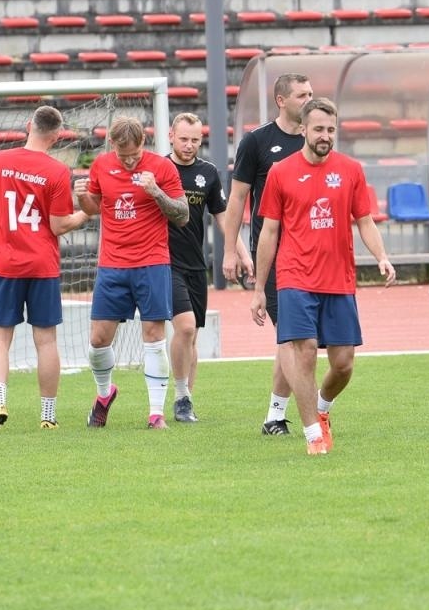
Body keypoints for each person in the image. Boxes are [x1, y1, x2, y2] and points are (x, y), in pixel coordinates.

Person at [250, 98, 396, 456]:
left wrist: (382, 256)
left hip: (339, 279)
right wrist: (258, 288)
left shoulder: (350, 170)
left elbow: (364, 220)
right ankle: (313, 434)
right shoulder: (281, 172)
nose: (325, 136)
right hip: (295, 276)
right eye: (318, 129)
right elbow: (269, 232)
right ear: (303, 129)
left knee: (344, 364)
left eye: (331, 130)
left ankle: (323, 408)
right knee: (305, 351)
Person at [0, 105, 89, 431]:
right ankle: (47, 416)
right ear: (57, 136)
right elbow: (60, 224)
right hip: (42, 264)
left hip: (6, 263)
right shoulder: (57, 171)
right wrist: (86, 215)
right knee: (46, 340)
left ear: (28, 126)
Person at [77, 116, 189, 429]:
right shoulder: (101, 165)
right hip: (112, 264)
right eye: (123, 155)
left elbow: (182, 215)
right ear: (113, 145)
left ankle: (156, 414)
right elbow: (93, 208)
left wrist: (156, 192)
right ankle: (103, 395)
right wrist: (81, 196)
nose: (129, 161)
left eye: (134, 155)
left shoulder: (162, 168)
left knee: (153, 336)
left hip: (152, 262)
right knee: (99, 340)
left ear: (143, 144)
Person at [222, 72, 313, 435]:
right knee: (293, 339)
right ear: (281, 100)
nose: (309, 100)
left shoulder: (316, 140)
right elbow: (238, 199)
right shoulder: (257, 142)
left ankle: (279, 414)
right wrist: (230, 251)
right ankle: (282, 416)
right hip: (274, 255)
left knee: (302, 341)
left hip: (312, 255)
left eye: (311, 94)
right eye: (302, 95)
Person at [166, 112, 227, 423]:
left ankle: (186, 400)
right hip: (165, 263)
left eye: (195, 140)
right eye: (184, 139)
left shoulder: (208, 173)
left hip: (195, 264)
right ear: (170, 137)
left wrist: (238, 253)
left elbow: (222, 218)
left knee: (192, 337)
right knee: (185, 327)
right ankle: (180, 396)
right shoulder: (160, 169)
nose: (189, 146)